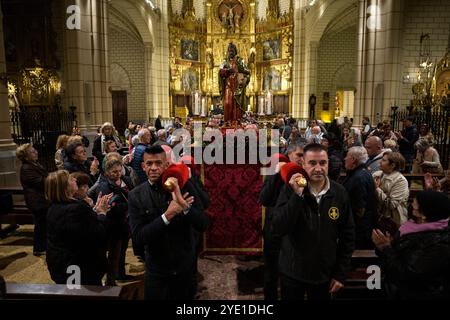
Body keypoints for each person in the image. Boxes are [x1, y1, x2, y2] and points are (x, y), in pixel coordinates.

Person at [272, 143, 355, 300]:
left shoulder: (339, 193)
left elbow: (348, 236)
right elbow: (279, 227)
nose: (318, 168)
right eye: (312, 163)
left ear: (328, 164)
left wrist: (340, 273)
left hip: (324, 273)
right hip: (293, 271)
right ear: (303, 164)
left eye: (322, 163)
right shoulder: (290, 189)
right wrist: (297, 196)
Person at [128, 146, 209, 300]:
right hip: (157, 272)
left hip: (185, 270)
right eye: (149, 164)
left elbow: (204, 224)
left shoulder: (184, 186)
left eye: (158, 163)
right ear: (143, 167)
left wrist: (185, 207)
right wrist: (167, 215)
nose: (153, 168)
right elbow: (138, 238)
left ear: (166, 165)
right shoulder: (136, 195)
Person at [372, 190, 450, 299]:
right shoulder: (413, 227)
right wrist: (389, 244)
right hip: (395, 289)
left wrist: (386, 248)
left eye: (416, 202)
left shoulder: (440, 244)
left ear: (424, 213)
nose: (412, 203)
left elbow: (408, 274)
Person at [45, 170, 112, 285]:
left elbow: (79, 231)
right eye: (70, 179)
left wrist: (92, 212)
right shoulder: (76, 209)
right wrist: (102, 214)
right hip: (79, 267)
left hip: (60, 263)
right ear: (64, 188)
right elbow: (97, 235)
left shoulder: (53, 207)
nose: (75, 179)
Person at [89, 155, 134, 285]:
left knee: (122, 250)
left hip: (125, 223)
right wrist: (128, 205)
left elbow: (133, 193)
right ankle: (110, 280)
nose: (118, 174)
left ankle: (121, 273)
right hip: (112, 225)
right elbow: (109, 207)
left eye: (120, 170)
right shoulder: (104, 186)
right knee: (113, 254)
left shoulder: (126, 179)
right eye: (114, 172)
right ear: (107, 172)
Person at [342, 147, 377, 249]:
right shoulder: (361, 172)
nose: (344, 159)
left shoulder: (359, 177)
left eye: (347, 156)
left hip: (359, 228)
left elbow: (359, 209)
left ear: (353, 160)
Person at [17, 144, 49, 256]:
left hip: (41, 200)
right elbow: (41, 182)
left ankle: (44, 245)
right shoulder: (26, 168)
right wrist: (54, 178)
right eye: (32, 152)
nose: (35, 152)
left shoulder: (34, 164)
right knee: (40, 225)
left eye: (34, 150)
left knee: (43, 224)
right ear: (25, 157)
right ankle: (39, 248)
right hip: (37, 201)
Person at [372, 152, 409, 226]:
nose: (380, 162)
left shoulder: (400, 181)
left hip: (393, 221)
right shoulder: (377, 175)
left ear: (392, 165)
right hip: (377, 217)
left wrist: (376, 189)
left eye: (384, 160)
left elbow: (392, 204)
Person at [219, 42, 250, 123]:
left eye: (232, 50)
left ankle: (236, 121)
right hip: (228, 86)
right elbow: (220, 72)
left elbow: (247, 72)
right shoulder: (224, 61)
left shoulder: (240, 60)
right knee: (227, 103)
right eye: (229, 50)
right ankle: (227, 121)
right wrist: (228, 71)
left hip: (237, 87)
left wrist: (244, 79)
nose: (231, 52)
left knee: (236, 105)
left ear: (235, 51)